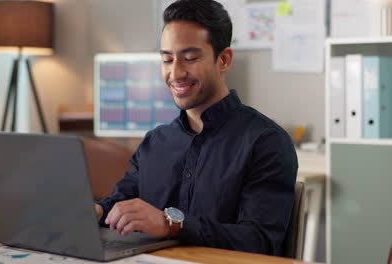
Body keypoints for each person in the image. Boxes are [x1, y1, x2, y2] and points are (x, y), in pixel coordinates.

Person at [95, 0, 298, 256]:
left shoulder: (266, 142)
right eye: (167, 59)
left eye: (189, 58)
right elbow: (120, 201)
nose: (176, 72)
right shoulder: (155, 142)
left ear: (223, 60)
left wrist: (172, 225)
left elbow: (260, 241)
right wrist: (97, 211)